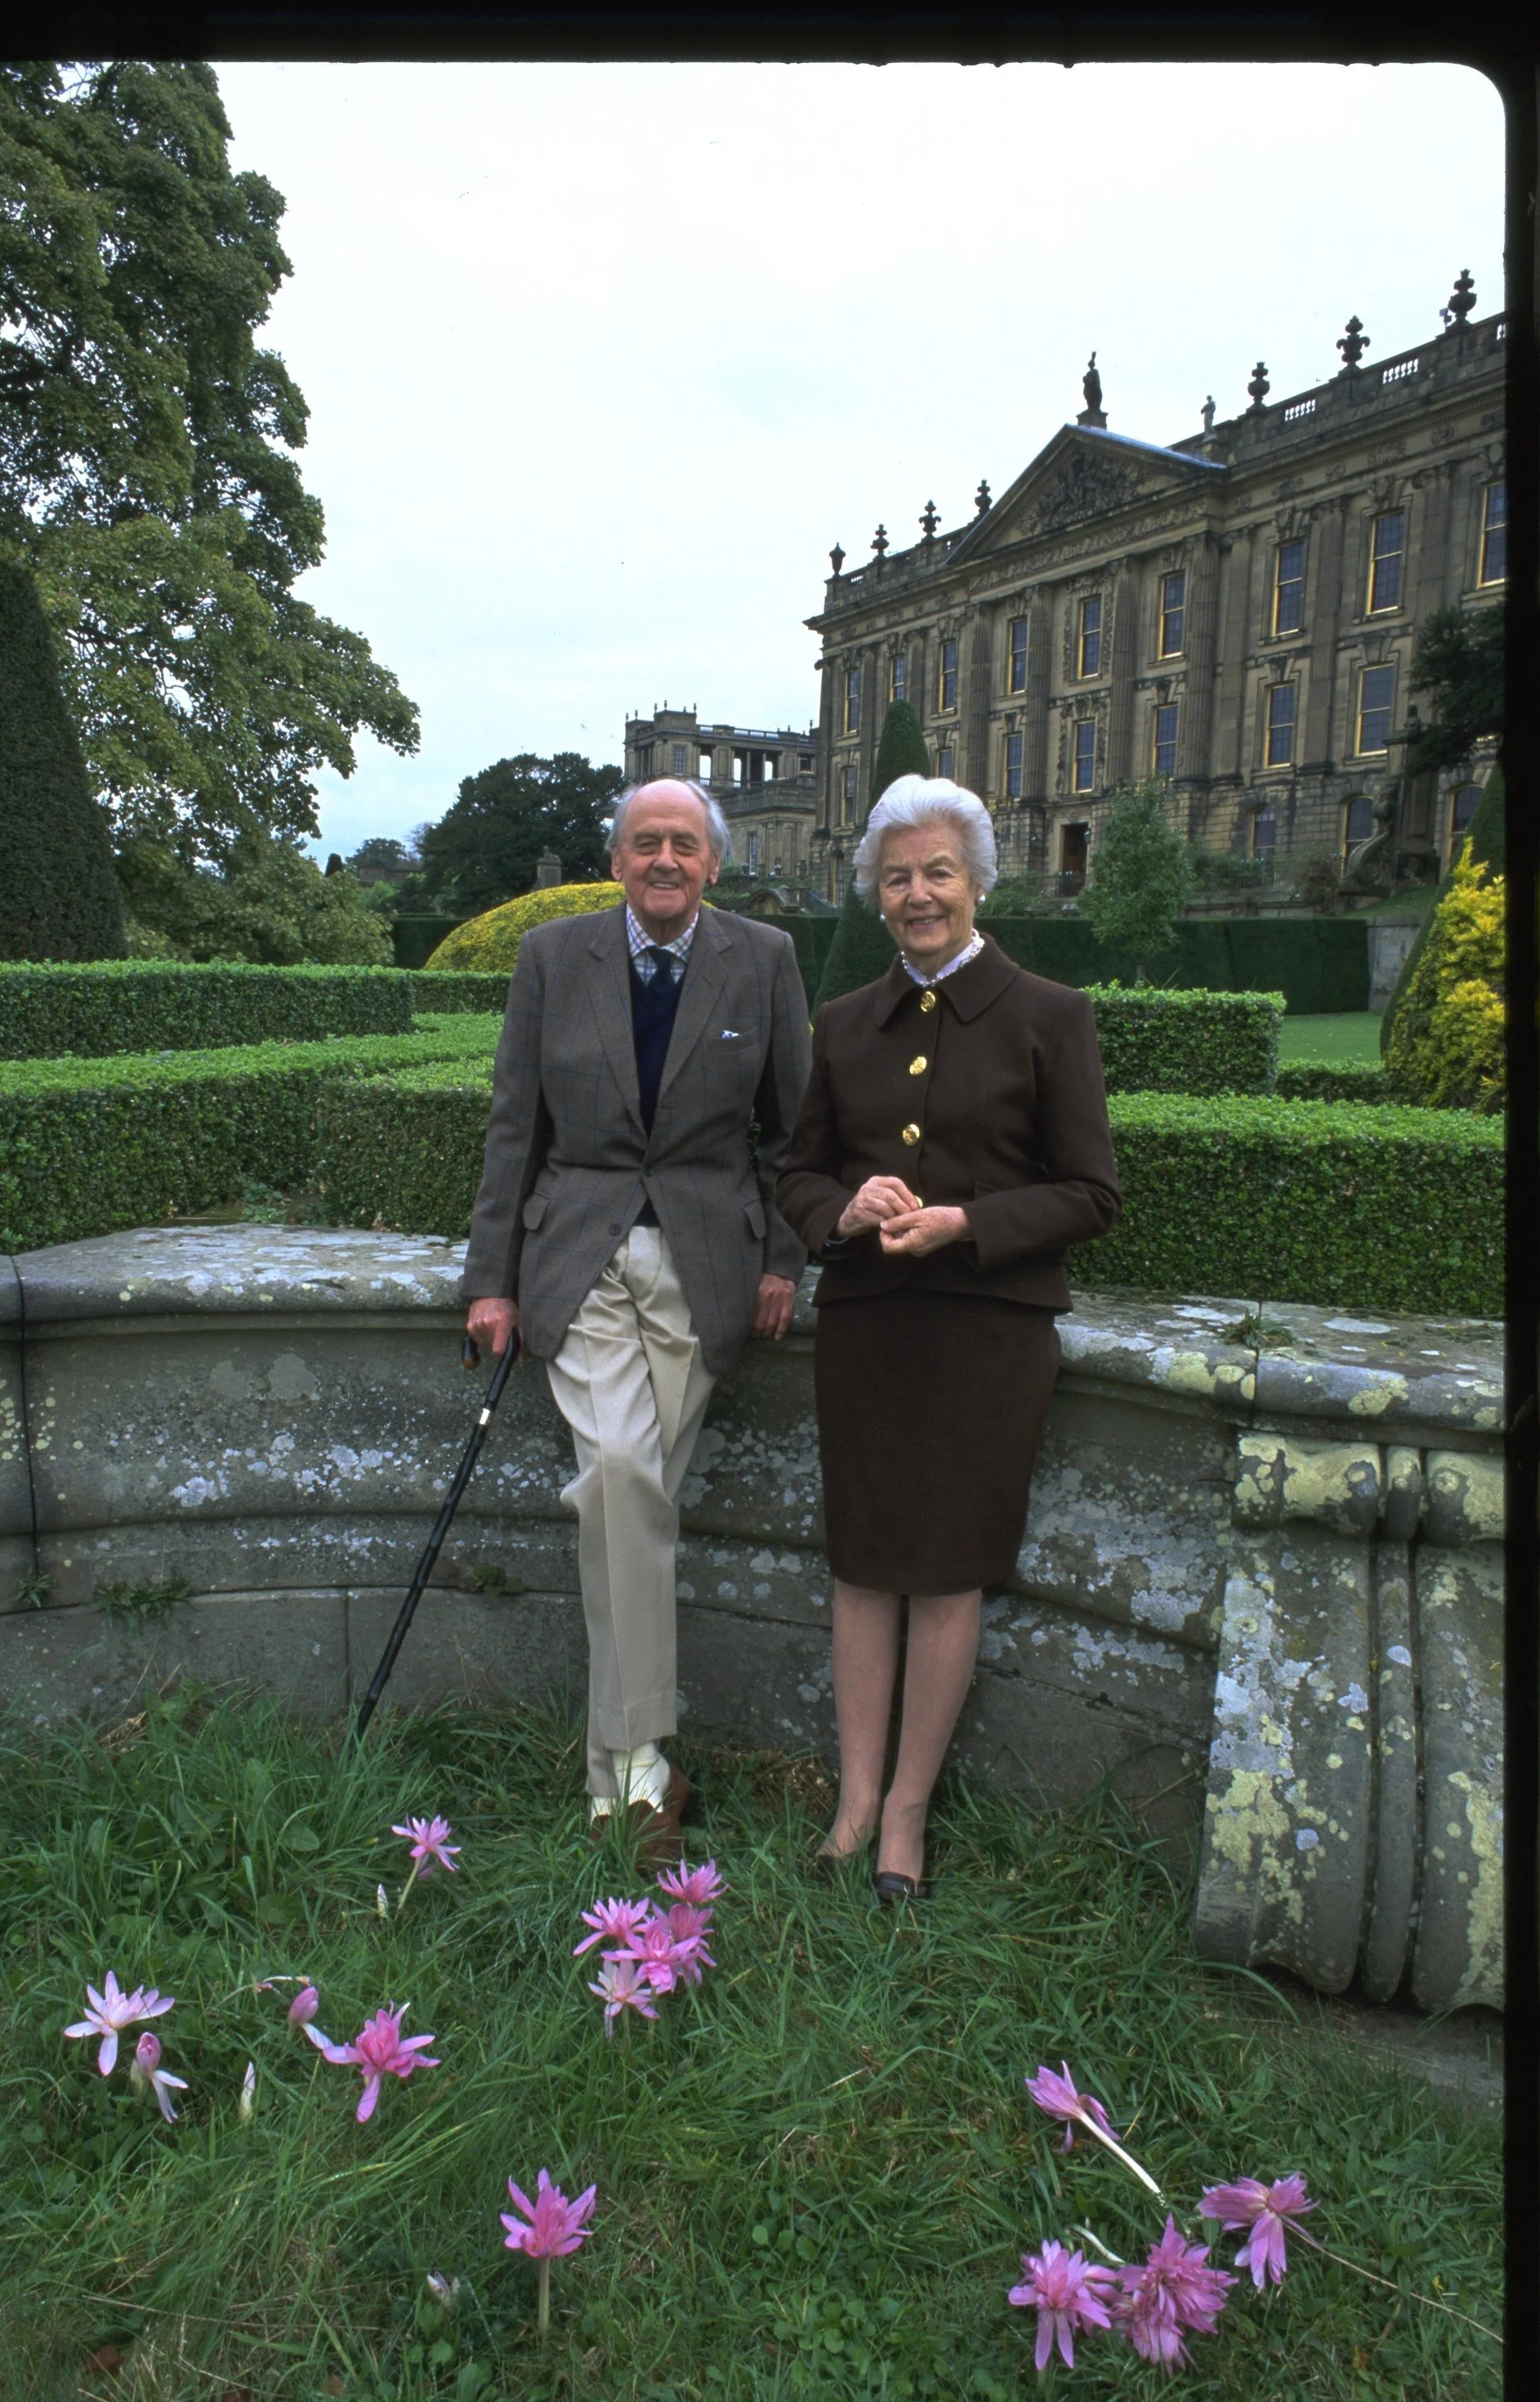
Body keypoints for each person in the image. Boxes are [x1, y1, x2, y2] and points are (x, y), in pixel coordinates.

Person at [775, 774, 1122, 1903]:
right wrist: (843, 1211)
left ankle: (910, 1813)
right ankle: (856, 1798)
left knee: (951, 1571)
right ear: (873, 893)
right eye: (897, 877)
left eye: (938, 874)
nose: (919, 895)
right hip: (871, 1325)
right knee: (864, 1566)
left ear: (978, 881)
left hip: (988, 1332)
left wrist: (970, 1221)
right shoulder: (843, 1024)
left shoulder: (1050, 1016)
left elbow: (1091, 1192)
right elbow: (797, 1176)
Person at [463, 777, 811, 1864]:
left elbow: (795, 1131)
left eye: (685, 844)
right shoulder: (553, 958)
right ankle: (635, 1771)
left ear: (714, 863)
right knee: (620, 1472)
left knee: (638, 1506)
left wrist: (787, 1262)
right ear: (615, 859)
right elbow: (513, 1124)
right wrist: (491, 1280)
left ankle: (629, 1772)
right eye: (645, 842)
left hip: (709, 1265)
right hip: (581, 1254)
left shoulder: (765, 957)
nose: (665, 859)